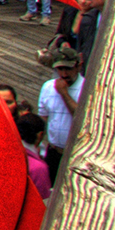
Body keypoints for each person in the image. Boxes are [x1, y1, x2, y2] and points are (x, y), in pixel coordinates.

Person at [38, 50, 83, 183]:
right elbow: (43, 117)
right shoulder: (48, 87)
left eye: (68, 69)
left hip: (75, 154)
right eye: (60, 69)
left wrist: (64, 93)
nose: (63, 74)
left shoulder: (86, 88)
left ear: (78, 66)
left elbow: (82, 118)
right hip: (53, 152)